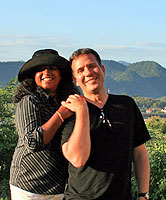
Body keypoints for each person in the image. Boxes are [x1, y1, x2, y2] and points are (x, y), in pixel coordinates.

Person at [61, 48, 151, 200]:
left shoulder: (127, 105)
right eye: (80, 70)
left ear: (102, 69)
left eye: (92, 66)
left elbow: (140, 153)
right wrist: (82, 110)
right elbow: (77, 159)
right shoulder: (70, 110)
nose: (88, 73)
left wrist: (144, 194)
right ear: (75, 80)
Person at [9, 49, 89, 200]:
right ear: (33, 76)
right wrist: (61, 114)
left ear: (61, 75)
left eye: (52, 68)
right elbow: (33, 141)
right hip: (30, 186)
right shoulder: (29, 101)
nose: (47, 72)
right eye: (40, 69)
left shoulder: (67, 101)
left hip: (60, 186)